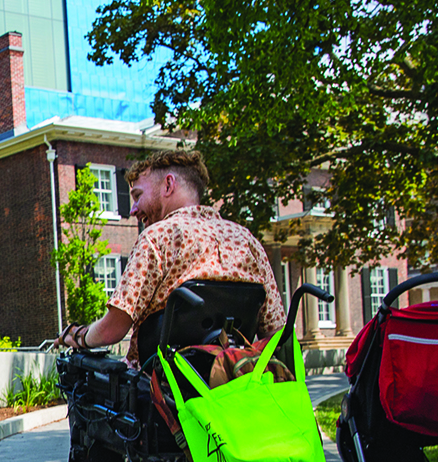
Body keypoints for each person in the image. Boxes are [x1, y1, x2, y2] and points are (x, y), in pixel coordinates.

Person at [58, 150, 285, 364]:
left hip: (160, 394)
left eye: (138, 196)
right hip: (230, 390)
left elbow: (112, 330)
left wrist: (78, 336)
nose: (133, 210)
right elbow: (275, 332)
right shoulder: (246, 240)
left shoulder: (157, 238)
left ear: (168, 185)